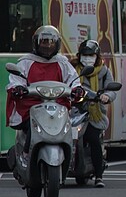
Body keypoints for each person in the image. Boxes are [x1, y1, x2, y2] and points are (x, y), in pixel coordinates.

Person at [6, 25, 84, 168]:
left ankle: (70, 153)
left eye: (51, 42)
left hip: (58, 105)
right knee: (30, 125)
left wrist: (77, 89)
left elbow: (74, 80)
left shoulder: (62, 63)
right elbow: (15, 81)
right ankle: (25, 154)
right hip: (31, 107)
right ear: (36, 43)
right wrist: (17, 88)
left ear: (57, 44)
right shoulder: (25, 62)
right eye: (44, 42)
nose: (47, 46)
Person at [71, 40, 117, 188]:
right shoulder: (72, 69)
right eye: (84, 55)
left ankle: (98, 175)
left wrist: (106, 96)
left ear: (96, 56)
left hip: (94, 114)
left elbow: (111, 90)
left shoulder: (104, 71)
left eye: (91, 55)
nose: (87, 58)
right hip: (72, 111)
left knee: (93, 138)